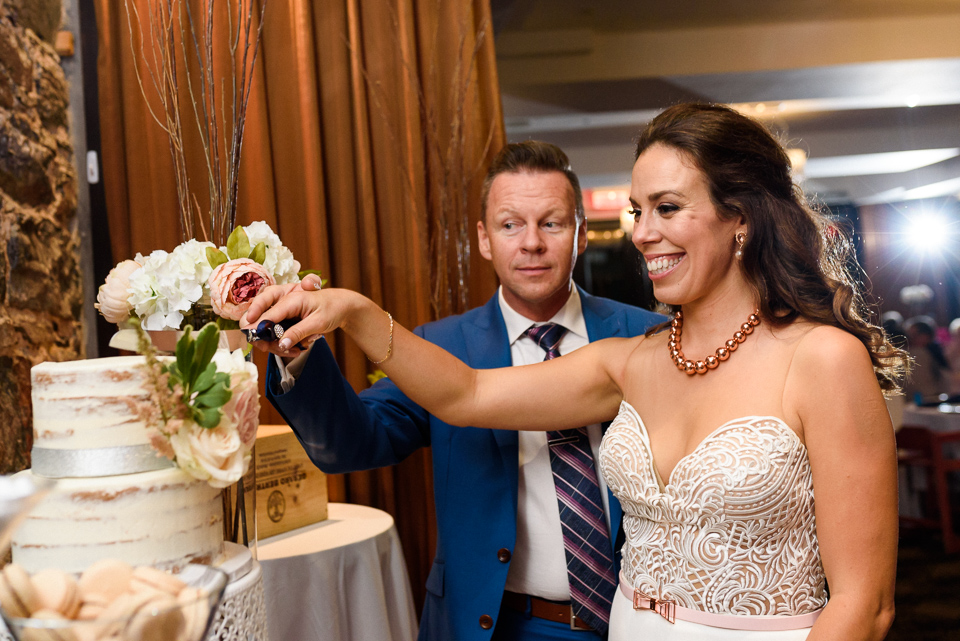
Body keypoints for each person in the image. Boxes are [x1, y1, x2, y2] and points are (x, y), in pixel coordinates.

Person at [247, 104, 907, 640]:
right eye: (637, 211)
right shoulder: (633, 360)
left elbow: (865, 603)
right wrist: (355, 312)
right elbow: (465, 392)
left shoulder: (821, 358)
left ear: (740, 218)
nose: (642, 233)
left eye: (667, 208)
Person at [252, 141, 664, 641]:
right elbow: (351, 444)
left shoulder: (646, 336)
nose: (531, 243)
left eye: (552, 223)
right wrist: (297, 353)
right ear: (484, 239)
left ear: (580, 234)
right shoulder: (439, 348)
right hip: (495, 626)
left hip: (636, 622)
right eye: (510, 225)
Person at [903, 315, 950, 403]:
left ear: (926, 335)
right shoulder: (912, 352)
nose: (910, 339)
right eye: (909, 335)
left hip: (932, 398)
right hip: (916, 399)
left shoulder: (926, 352)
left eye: (914, 335)